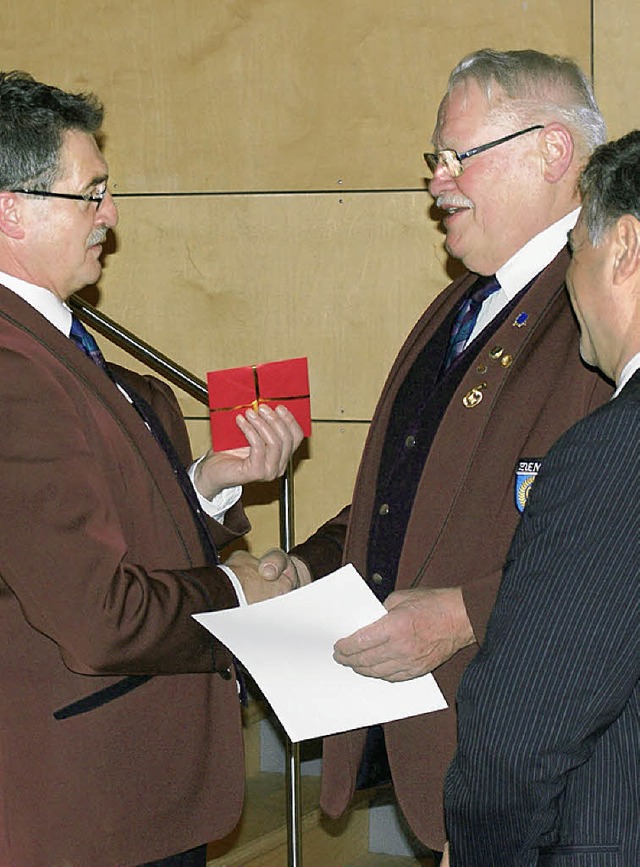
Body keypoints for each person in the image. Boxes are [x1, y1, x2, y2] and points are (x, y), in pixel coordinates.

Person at [253, 48, 614, 853]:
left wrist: (461, 614)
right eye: (435, 159)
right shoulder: (461, 302)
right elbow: (410, 494)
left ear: (552, 151)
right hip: (451, 763)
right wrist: (310, 564)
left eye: (458, 157)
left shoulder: (603, 309)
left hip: (546, 777)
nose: (436, 181)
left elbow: (615, 540)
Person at [0, 71, 303, 867]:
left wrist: (204, 484)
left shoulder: (51, 344)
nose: (112, 217)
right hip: (85, 808)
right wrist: (243, 594)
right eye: (90, 194)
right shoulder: (11, 365)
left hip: (128, 791)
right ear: (11, 209)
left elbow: (88, 529)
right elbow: (99, 611)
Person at [443, 129, 640, 865]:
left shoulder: (614, 453)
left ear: (623, 247)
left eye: (575, 252)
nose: (570, 279)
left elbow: (517, 741)